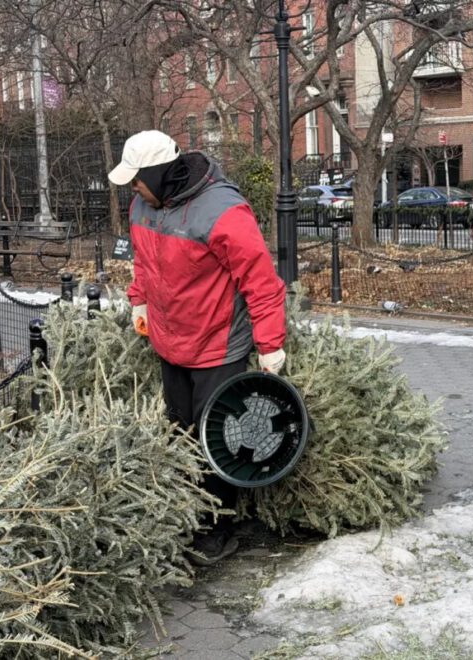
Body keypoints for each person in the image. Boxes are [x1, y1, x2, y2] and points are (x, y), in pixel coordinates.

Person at [108, 130, 287, 563]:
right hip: (170, 343)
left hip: (218, 347)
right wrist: (140, 301)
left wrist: (270, 345)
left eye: (137, 179)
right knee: (181, 433)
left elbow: (261, 283)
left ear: (157, 174)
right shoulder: (142, 206)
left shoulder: (223, 212)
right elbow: (143, 261)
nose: (132, 188)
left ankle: (217, 528)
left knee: (217, 441)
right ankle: (187, 512)